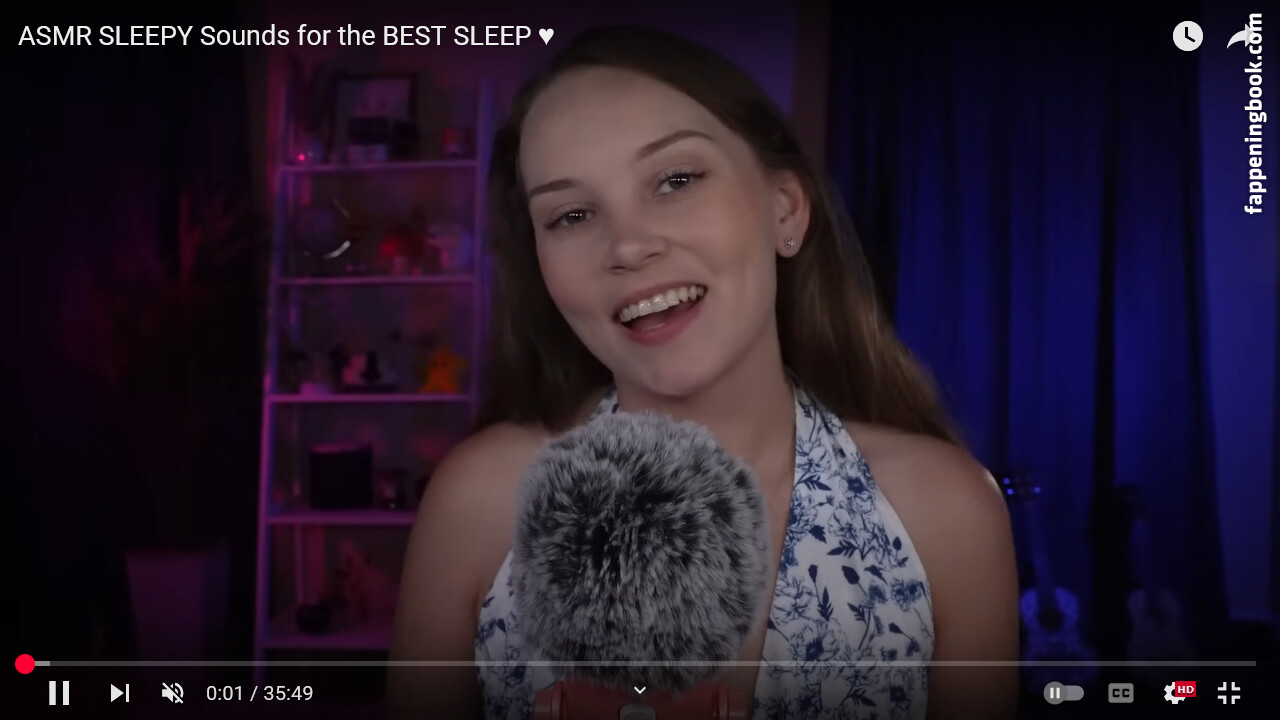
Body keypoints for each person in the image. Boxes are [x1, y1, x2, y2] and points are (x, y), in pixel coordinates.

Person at [388, 25, 1018, 720]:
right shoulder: (480, 505)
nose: (629, 246)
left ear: (785, 209)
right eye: (571, 214)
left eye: (677, 180)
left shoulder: (947, 514)